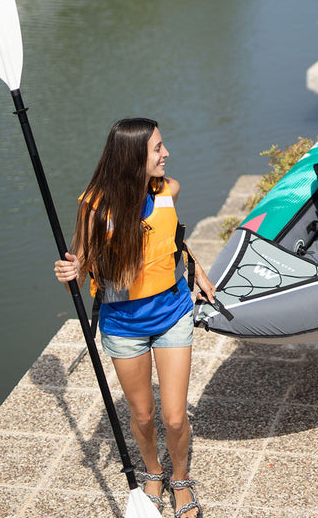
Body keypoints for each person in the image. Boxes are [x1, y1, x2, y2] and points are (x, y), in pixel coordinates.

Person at [54, 118, 216, 518]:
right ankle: (153, 472)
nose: (167, 154)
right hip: (123, 325)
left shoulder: (168, 191)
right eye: (158, 148)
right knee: (142, 414)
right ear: (133, 157)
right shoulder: (94, 207)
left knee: (175, 417)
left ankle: (180, 480)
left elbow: (172, 238)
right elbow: (84, 260)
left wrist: (199, 269)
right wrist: (71, 272)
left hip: (172, 313)